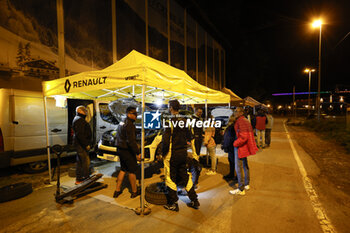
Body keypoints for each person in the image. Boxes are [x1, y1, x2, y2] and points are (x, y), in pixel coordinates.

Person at [162, 99, 199, 211]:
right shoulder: (185, 121)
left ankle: (173, 203)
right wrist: (194, 154)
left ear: (171, 108)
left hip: (172, 154)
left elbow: (165, 141)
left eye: (169, 106)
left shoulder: (169, 122)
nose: (169, 108)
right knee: (185, 176)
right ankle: (194, 200)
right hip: (183, 153)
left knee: (170, 177)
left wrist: (163, 154)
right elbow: (191, 137)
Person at [113, 106, 141, 199]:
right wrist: (137, 152)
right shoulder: (130, 125)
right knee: (132, 171)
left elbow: (119, 135)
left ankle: (117, 190)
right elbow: (131, 141)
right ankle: (134, 191)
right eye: (134, 114)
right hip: (127, 151)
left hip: (120, 149)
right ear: (129, 114)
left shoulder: (122, 121)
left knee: (123, 169)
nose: (136, 116)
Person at [229, 107, 258, 195]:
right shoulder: (245, 120)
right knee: (245, 165)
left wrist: (235, 143)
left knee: (238, 167)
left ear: (241, 112)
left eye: (236, 111)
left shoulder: (240, 121)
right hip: (244, 146)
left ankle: (241, 189)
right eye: (234, 111)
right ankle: (246, 184)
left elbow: (243, 136)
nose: (234, 113)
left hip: (240, 146)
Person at [72, 106, 92, 185]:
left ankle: (79, 178)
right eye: (85, 111)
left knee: (80, 162)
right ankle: (86, 178)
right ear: (80, 111)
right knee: (85, 162)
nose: (86, 113)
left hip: (79, 144)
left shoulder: (78, 119)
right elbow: (80, 134)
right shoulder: (79, 120)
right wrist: (86, 144)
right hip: (81, 145)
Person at [190, 108, 203, 188]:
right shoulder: (193, 119)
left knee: (197, 154)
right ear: (195, 112)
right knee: (195, 155)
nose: (200, 113)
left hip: (198, 138)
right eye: (198, 112)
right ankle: (195, 172)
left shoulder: (199, 119)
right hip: (195, 138)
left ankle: (196, 166)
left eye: (201, 112)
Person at [221, 115, 236, 181]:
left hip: (231, 147)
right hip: (232, 146)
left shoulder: (231, 127)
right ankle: (232, 174)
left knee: (232, 161)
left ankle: (232, 175)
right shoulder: (233, 127)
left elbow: (228, 138)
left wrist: (224, 145)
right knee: (232, 161)